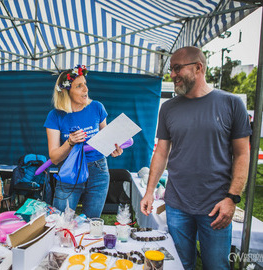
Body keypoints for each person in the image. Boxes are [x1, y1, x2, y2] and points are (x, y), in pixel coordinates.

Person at [140, 47, 251, 270]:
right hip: (177, 205)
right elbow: (161, 151)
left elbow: (242, 154)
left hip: (216, 205)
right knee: (179, 264)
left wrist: (232, 199)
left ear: (198, 67)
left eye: (177, 68)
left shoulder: (231, 103)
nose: (172, 75)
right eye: (171, 69)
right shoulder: (168, 108)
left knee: (216, 266)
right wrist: (150, 191)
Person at [44, 65, 123, 218]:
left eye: (85, 84)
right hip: (70, 170)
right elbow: (54, 158)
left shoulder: (97, 107)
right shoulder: (55, 116)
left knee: (91, 222)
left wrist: (113, 149)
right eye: (79, 86)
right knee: (60, 221)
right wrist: (70, 143)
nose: (85, 89)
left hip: (98, 170)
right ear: (67, 91)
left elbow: (107, 139)